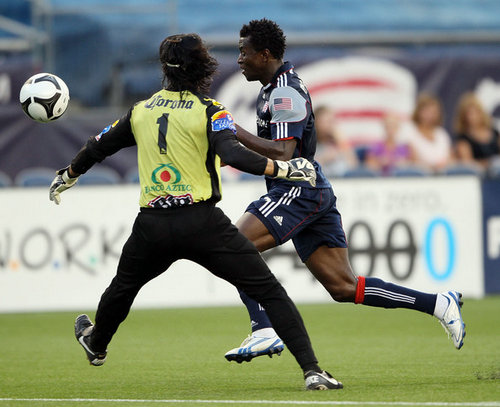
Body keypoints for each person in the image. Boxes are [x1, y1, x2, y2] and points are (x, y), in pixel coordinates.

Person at [49, 33, 343, 390]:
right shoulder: (212, 111)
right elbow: (233, 154)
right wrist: (283, 169)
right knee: (270, 292)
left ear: (165, 69)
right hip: (203, 224)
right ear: (202, 66)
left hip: (153, 226)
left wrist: (69, 174)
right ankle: (312, 371)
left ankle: (96, 344)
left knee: (122, 288)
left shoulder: (142, 110)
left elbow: (98, 145)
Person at [223, 19, 466, 364]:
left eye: (244, 52)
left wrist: (232, 131)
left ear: (264, 54)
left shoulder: (285, 91)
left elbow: (283, 153)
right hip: (308, 189)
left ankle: (263, 328)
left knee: (235, 246)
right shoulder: (271, 90)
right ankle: (438, 303)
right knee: (343, 286)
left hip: (298, 189)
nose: (239, 59)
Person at [398, 93, 452, 172]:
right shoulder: (409, 131)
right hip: (417, 176)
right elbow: (409, 158)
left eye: (434, 112)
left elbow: (449, 157)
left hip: (442, 175)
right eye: (427, 111)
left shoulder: (441, 134)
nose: (430, 115)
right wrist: (429, 167)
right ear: (419, 111)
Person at [453, 92, 500, 169]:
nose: (474, 117)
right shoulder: (463, 138)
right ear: (464, 116)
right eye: (470, 113)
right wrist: (489, 164)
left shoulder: (494, 132)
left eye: (476, 112)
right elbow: (467, 163)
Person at [313, 105, 357, 177]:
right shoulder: (310, 144)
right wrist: (324, 158)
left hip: (344, 179)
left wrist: (341, 140)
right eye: (325, 121)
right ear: (316, 123)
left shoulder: (338, 142)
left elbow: (353, 165)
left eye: (331, 121)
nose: (329, 125)